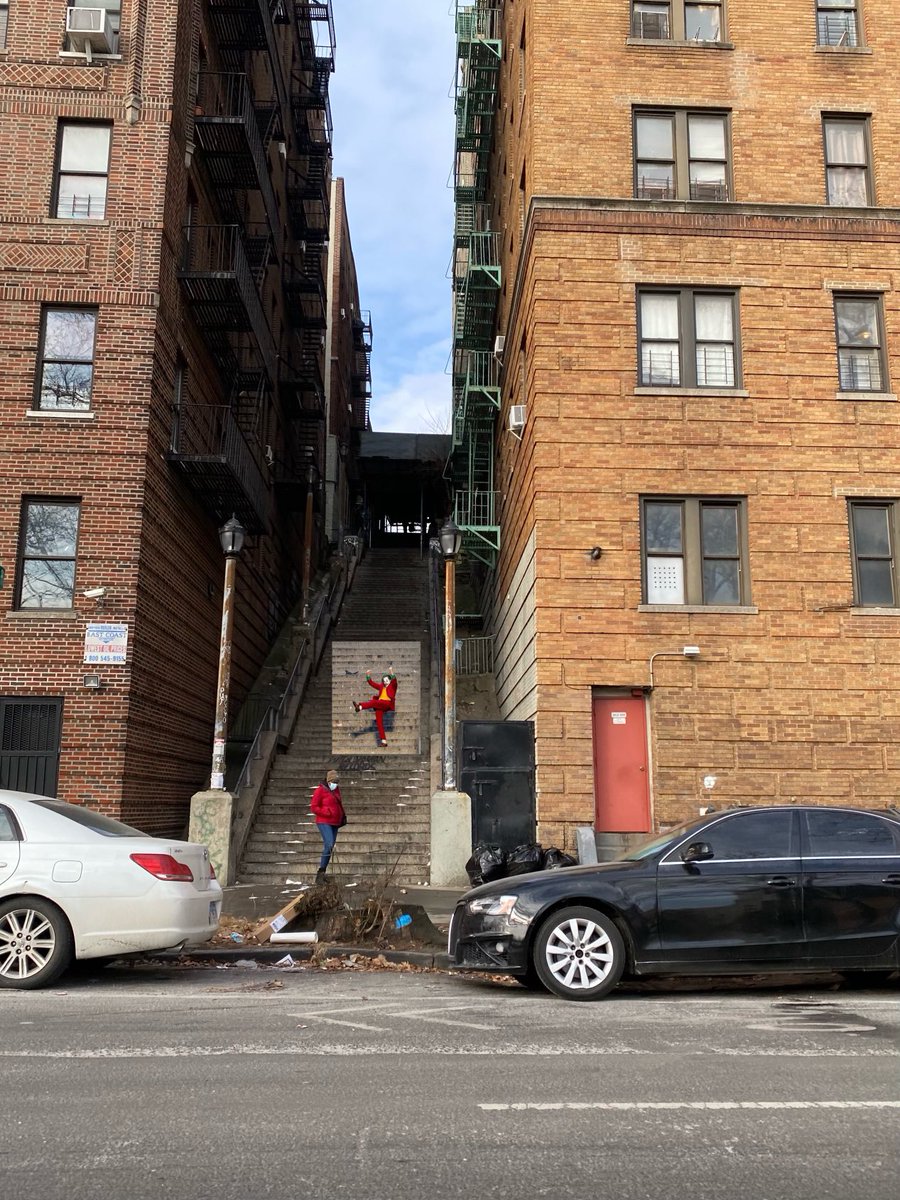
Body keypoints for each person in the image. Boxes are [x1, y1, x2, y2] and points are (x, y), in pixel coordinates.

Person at [309, 768, 346, 883]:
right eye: (334, 782)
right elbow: (314, 807)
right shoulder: (320, 790)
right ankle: (320, 873)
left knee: (329, 848)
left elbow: (338, 804)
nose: (335, 784)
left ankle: (322, 873)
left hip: (335, 822)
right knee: (329, 844)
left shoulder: (336, 790)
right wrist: (326, 812)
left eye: (337, 782)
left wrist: (341, 816)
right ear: (328, 781)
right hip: (324, 821)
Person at [352, 668, 398, 747]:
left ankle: (360, 707)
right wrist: (368, 675)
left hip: (387, 703)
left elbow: (394, 681)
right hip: (380, 705)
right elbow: (372, 683)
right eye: (384, 680)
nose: (385, 682)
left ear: (390, 681)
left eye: (387, 680)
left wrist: (391, 672)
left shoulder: (393, 686)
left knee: (373, 702)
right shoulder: (381, 686)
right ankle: (384, 742)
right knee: (379, 723)